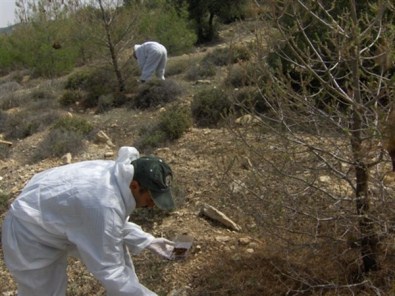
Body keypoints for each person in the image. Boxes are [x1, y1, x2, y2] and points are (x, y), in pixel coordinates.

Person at [1, 146, 176, 296]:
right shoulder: (104, 203)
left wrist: (148, 241)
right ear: (135, 186)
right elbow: (111, 271)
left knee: (118, 254)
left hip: (52, 216)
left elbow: (111, 227)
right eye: (151, 198)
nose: (152, 206)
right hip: (28, 234)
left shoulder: (116, 176)